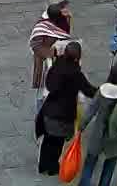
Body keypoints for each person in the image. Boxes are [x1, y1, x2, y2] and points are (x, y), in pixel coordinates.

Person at [78, 61, 117, 186]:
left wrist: (81, 127)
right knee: (109, 166)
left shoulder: (104, 90)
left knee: (90, 163)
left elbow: (91, 110)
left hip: (99, 133)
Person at [37, 41, 93, 175]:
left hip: (49, 110)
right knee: (57, 142)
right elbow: (88, 90)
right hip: (63, 115)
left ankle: (42, 165)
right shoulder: (75, 73)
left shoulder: (57, 65)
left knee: (48, 139)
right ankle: (52, 167)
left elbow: (49, 84)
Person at [28, 0, 72, 109]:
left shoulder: (64, 16)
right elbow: (36, 46)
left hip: (58, 59)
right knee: (43, 93)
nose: (66, 9)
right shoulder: (43, 24)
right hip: (45, 62)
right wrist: (52, 53)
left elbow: (65, 35)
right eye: (63, 6)